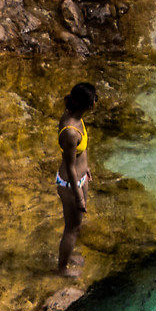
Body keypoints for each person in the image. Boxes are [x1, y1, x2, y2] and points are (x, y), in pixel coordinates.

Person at [55, 82, 95, 274]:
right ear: (89, 105)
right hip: (70, 184)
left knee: (76, 225)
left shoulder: (77, 117)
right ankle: (61, 268)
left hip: (80, 178)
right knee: (72, 228)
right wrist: (78, 195)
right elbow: (70, 166)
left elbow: (81, 153)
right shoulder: (70, 132)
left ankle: (68, 256)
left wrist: (86, 169)